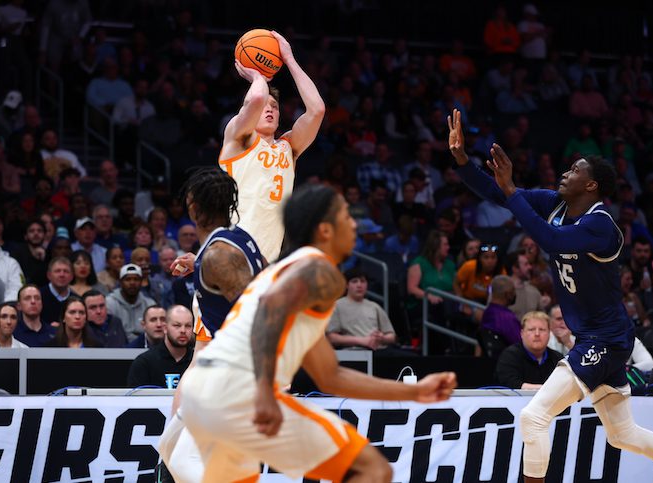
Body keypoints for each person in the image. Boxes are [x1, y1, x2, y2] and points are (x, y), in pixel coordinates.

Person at [448, 108, 653, 481]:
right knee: (623, 435)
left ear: (590, 186)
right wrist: (462, 160)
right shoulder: (555, 204)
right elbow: (500, 194)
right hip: (598, 336)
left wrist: (511, 190)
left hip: (603, 339)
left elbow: (550, 239)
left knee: (533, 417)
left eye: (575, 171)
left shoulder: (601, 226)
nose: (565, 173)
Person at [176, 184, 456, 482]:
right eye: (346, 216)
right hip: (238, 392)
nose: (354, 224)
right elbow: (269, 309)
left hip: (203, 393)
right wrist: (264, 392)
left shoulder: (290, 275)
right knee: (372, 470)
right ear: (325, 230)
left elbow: (330, 377)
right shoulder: (319, 270)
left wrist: (414, 391)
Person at [159, 167, 266, 481]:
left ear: (193, 208)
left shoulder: (218, 257)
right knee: (171, 450)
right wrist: (199, 264)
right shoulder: (236, 239)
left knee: (188, 461)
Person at [218, 31, 325, 262]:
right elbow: (256, 99)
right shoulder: (238, 137)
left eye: (274, 106)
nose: (269, 109)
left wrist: (289, 59)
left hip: (267, 258)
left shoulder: (289, 146)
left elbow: (317, 110)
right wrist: (257, 76)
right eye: (264, 107)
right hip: (234, 250)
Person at [326, 267, 399, 350]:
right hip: (353, 351)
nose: (359, 285)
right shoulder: (337, 305)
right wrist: (362, 341)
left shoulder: (374, 306)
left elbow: (392, 336)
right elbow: (331, 338)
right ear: (346, 285)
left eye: (363, 281)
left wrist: (382, 338)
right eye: (354, 281)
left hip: (379, 351)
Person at [127, 305, 194, 387]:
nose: (183, 330)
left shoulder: (199, 361)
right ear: (165, 328)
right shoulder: (144, 363)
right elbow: (133, 395)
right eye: (177, 325)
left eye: (188, 326)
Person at [494, 311, 563, 389]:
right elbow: (510, 383)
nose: (537, 334)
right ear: (522, 334)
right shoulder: (509, 356)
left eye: (542, 329)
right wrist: (545, 389)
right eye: (531, 329)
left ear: (549, 334)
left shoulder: (558, 359)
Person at [107, 264, 156, 342]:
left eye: (136, 279)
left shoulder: (150, 304)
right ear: (120, 282)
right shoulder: (109, 303)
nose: (132, 283)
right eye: (128, 279)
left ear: (141, 282)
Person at [482, 275, 522, 346]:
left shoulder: (487, 313)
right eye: (513, 291)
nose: (515, 294)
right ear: (508, 294)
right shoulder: (508, 319)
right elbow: (520, 345)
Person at [506, 249, 544, 319]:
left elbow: (542, 318)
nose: (530, 267)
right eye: (526, 264)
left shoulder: (534, 291)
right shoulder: (501, 291)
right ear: (515, 268)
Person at [40, 257, 74, 325]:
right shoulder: (38, 296)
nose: (62, 275)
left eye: (66, 271)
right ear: (49, 275)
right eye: (57, 271)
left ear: (72, 276)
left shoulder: (76, 299)